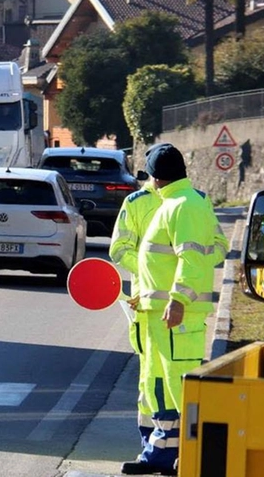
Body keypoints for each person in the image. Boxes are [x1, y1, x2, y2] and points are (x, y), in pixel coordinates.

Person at [120, 143, 225, 476]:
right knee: (160, 385)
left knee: (183, 388)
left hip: (176, 316)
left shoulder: (185, 205)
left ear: (155, 177)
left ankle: (200, 458)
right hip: (157, 313)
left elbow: (192, 257)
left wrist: (179, 300)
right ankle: (162, 455)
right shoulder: (175, 203)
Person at [108, 181, 161, 465]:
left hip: (159, 304)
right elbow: (119, 249)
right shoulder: (138, 202)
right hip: (156, 306)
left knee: (154, 377)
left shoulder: (192, 202)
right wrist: (151, 270)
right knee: (154, 376)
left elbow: (118, 249)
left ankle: (160, 447)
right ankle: (154, 445)